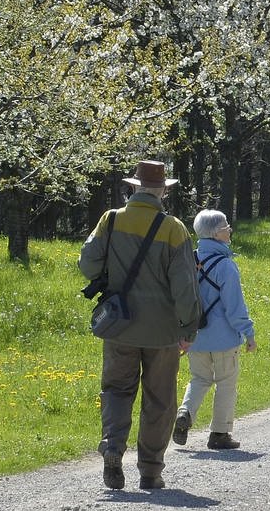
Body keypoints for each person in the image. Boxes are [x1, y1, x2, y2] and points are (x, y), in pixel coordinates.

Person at [78, 159, 202, 491]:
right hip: (162, 332)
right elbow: (185, 286)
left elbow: (88, 264)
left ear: (133, 187)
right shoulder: (173, 228)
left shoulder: (112, 219)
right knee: (160, 399)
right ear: (163, 190)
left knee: (117, 389)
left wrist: (109, 275)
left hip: (119, 325)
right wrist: (189, 327)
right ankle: (150, 471)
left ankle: (113, 448)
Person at [175, 209, 257, 451]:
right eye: (225, 227)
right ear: (216, 233)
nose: (229, 230)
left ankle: (185, 412)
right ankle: (219, 433)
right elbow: (234, 308)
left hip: (194, 337)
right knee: (226, 383)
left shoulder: (187, 261)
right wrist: (249, 334)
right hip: (223, 338)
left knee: (199, 379)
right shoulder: (226, 266)